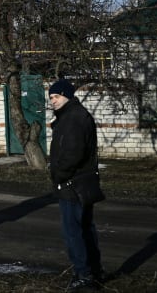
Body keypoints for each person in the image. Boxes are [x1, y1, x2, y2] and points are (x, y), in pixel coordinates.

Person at [48, 78, 104, 291]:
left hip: (73, 184)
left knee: (74, 232)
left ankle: (84, 275)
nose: (53, 101)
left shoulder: (73, 118)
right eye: (51, 97)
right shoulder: (72, 115)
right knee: (85, 229)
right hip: (81, 183)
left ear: (67, 95)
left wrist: (59, 175)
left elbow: (72, 153)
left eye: (56, 96)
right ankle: (94, 272)